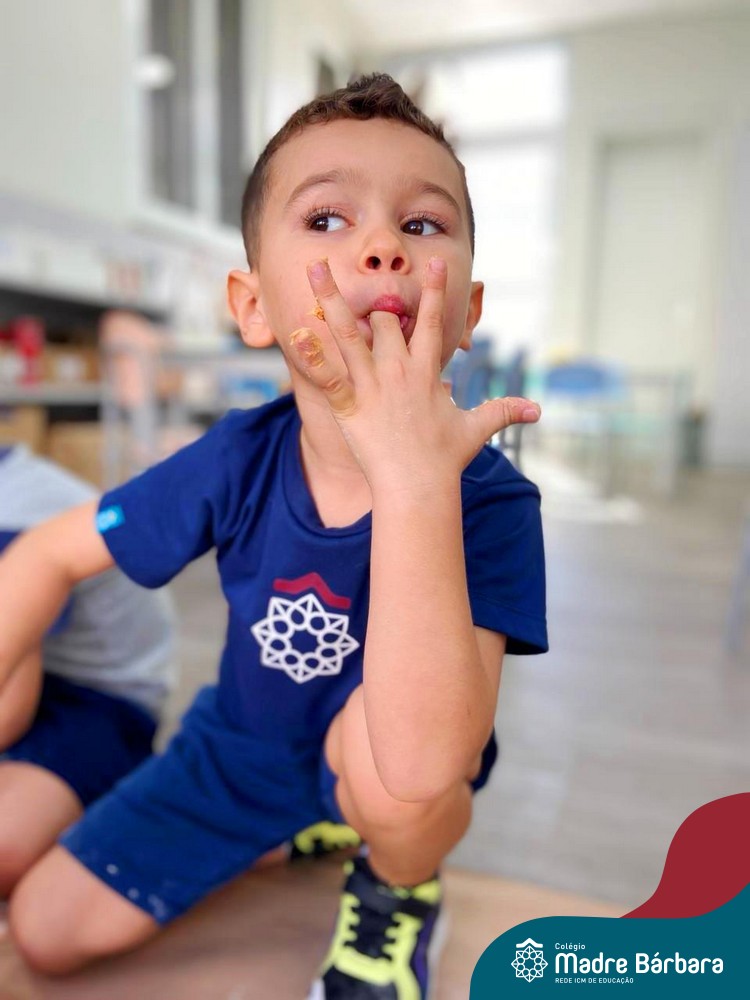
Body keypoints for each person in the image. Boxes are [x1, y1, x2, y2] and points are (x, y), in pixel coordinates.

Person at [1, 74, 548, 998]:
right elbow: (49, 552)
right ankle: (306, 831)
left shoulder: (491, 500)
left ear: (466, 313)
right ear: (253, 307)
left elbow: (424, 764)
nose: (381, 247)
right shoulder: (237, 456)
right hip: (237, 754)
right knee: (45, 931)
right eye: (328, 219)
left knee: (394, 791)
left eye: (421, 225)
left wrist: (413, 477)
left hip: (386, 769)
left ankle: (397, 885)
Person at [0, 444, 175, 898]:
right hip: (40, 676)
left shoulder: (19, 509)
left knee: (6, 846)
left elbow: (10, 707)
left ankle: (144, 808)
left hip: (95, 701)